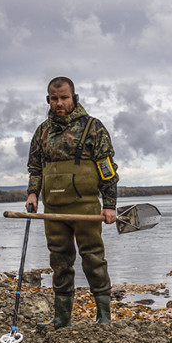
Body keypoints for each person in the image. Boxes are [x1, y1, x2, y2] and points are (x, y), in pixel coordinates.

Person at [25, 77, 119, 328]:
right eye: (54, 98)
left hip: (85, 208)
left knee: (93, 258)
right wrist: (33, 194)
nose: (59, 103)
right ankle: (62, 317)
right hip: (53, 210)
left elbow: (107, 170)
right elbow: (35, 168)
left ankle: (104, 316)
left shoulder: (93, 127)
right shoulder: (42, 131)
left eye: (64, 98)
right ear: (48, 99)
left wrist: (109, 205)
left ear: (74, 98)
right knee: (59, 260)